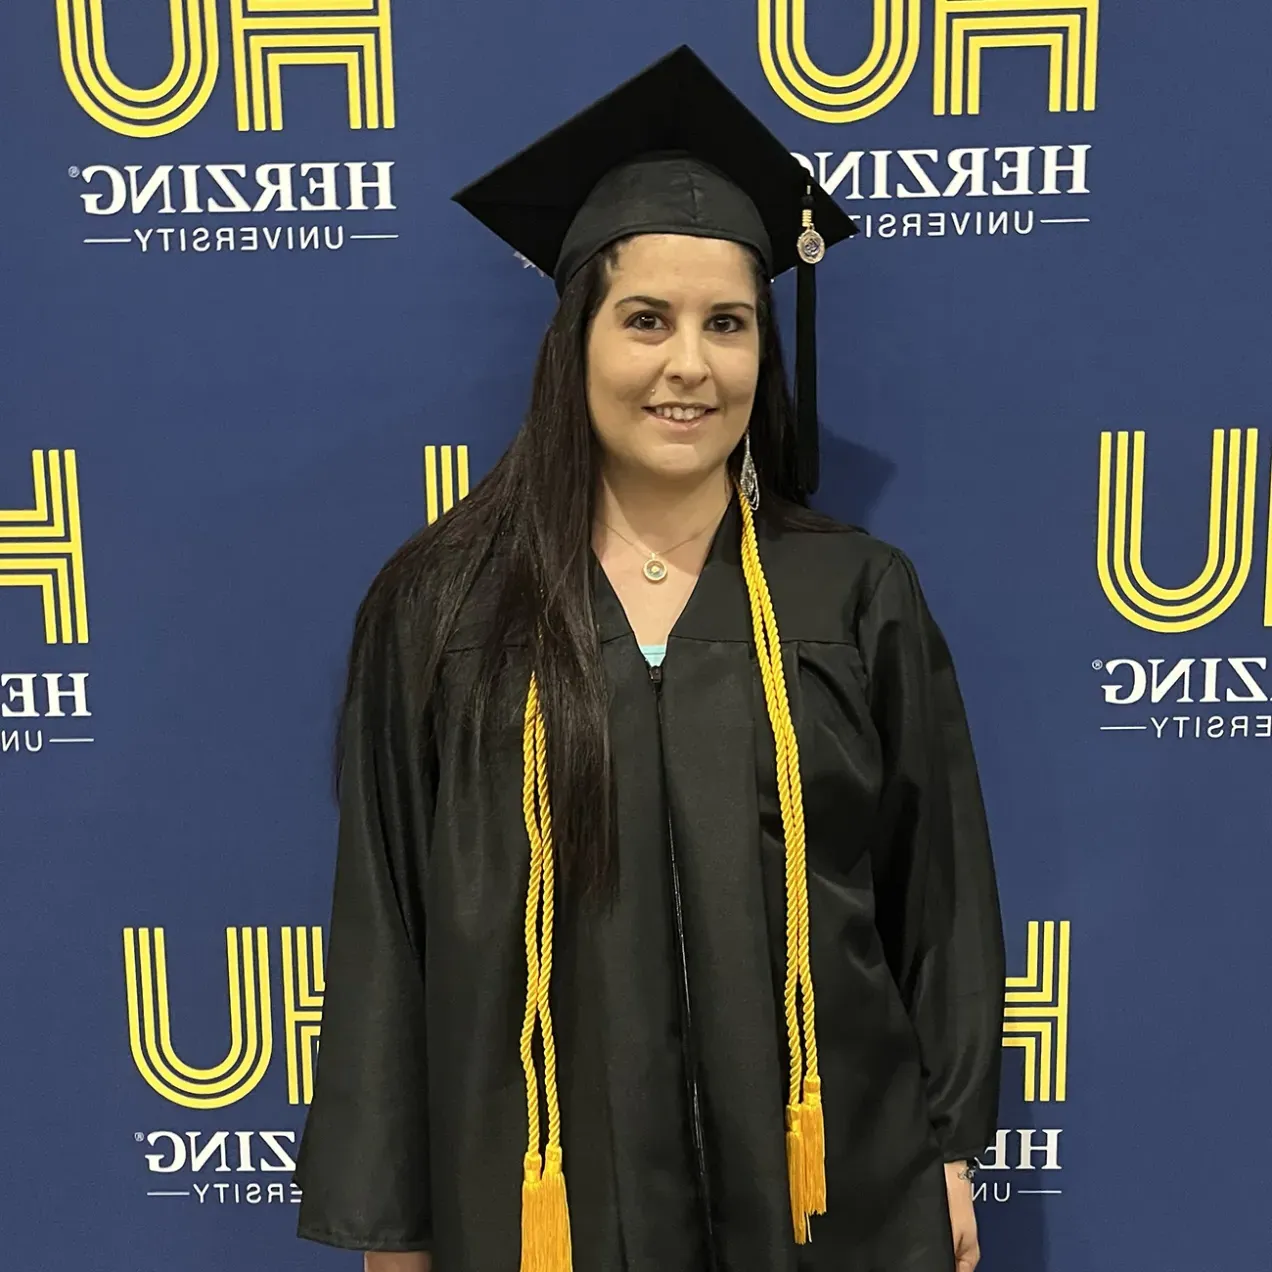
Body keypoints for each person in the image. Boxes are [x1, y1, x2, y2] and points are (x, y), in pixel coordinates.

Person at [293, 45, 1005, 1272]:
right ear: (576, 344)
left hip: (831, 1189)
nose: (691, 364)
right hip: (542, 1197)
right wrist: (392, 1226)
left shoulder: (854, 593)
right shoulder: (445, 609)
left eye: (729, 323)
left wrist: (946, 1145)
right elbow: (387, 929)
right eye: (646, 321)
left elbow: (934, 895)